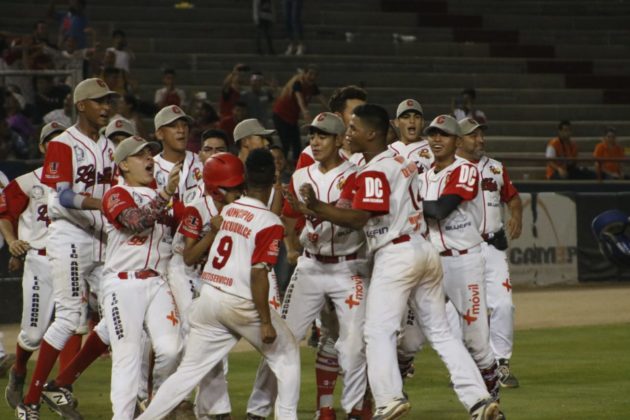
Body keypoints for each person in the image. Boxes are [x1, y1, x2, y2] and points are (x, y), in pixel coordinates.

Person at [300, 105, 500, 419]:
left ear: (371, 133)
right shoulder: (402, 162)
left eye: (353, 128)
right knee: (441, 332)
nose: (348, 134)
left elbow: (360, 218)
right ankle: (479, 400)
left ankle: (388, 398)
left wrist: (318, 207)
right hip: (423, 249)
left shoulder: (375, 169)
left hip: (396, 255)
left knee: (377, 332)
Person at [137, 148, 301, 420]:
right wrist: (265, 321)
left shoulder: (228, 211)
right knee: (287, 356)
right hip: (240, 302)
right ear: (273, 179)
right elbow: (258, 273)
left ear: (245, 178)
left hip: (209, 298)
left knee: (187, 374)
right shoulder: (270, 221)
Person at [248, 113, 369, 419]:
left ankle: (355, 409)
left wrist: (314, 209)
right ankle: (257, 411)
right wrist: (290, 244)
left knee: (353, 345)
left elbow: (355, 218)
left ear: (339, 140)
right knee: (282, 339)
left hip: (348, 268)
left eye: (323, 136)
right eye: (312, 135)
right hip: (311, 266)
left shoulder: (357, 175)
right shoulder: (301, 175)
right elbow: (289, 221)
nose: (315, 141)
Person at [15, 78, 117, 419]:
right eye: (99, 101)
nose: (106, 107)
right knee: (70, 316)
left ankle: (60, 383)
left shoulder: (109, 147)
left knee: (117, 314)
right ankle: (30, 400)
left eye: (108, 101)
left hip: (101, 238)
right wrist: (102, 203)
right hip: (69, 235)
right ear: (81, 105)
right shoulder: (62, 144)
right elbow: (62, 195)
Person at [419, 114, 501, 401]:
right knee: (409, 340)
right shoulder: (423, 176)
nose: (436, 139)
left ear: (456, 141)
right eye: (432, 134)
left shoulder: (466, 170)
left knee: (476, 342)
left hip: (463, 263)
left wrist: (410, 203)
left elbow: (440, 210)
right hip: (430, 263)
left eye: (443, 134)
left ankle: (492, 404)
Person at [100, 136, 182, 419]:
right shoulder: (116, 194)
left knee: (171, 350)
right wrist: (166, 193)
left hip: (157, 282)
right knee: (128, 356)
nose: (149, 159)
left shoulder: (164, 197)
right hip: (123, 284)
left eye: (150, 153)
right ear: (123, 164)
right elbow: (136, 222)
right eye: (140, 155)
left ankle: (154, 409)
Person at [171, 152, 246, 419]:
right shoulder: (197, 209)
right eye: (233, 187)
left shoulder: (240, 207)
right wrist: (213, 232)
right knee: (196, 334)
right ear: (216, 189)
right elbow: (189, 257)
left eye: (240, 186)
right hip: (185, 273)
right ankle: (207, 409)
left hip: (212, 276)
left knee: (214, 339)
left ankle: (208, 408)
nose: (239, 192)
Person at [0, 122, 65, 409]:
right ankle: (18, 372)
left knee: (73, 325)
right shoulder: (27, 182)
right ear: (41, 147)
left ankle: (61, 385)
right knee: (33, 334)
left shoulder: (79, 183)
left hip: (71, 259)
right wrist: (12, 242)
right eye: (51, 142)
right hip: (39, 259)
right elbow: (4, 213)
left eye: (63, 141)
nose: (57, 146)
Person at [456, 117, 523, 389]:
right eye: (473, 135)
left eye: (481, 134)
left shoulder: (495, 167)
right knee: (465, 310)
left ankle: (501, 363)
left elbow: (513, 197)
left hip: (493, 245)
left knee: (503, 305)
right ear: (458, 140)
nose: (480, 139)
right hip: (462, 248)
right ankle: (467, 366)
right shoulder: (449, 169)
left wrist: (516, 214)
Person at [272, 66, 327, 161]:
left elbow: (322, 99)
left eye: (315, 75)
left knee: (296, 145)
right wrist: (305, 112)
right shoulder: (297, 84)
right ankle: (280, 164)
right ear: (305, 74)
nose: (312, 77)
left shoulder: (312, 87)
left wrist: (333, 109)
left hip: (292, 119)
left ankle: (296, 165)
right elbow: (300, 99)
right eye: (310, 74)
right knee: (286, 143)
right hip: (281, 116)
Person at [389, 98, 434, 174]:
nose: (412, 121)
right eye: (406, 117)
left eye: (417, 117)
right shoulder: (388, 151)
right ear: (396, 122)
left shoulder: (433, 150)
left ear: (422, 122)